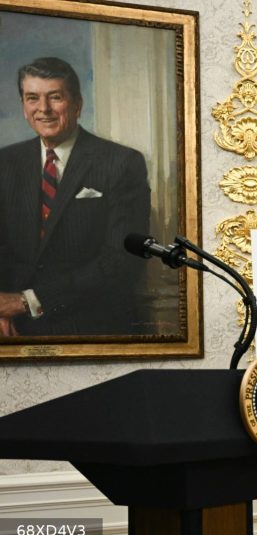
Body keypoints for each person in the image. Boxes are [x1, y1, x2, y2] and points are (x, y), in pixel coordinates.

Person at [0, 57, 151, 336]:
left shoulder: (121, 163)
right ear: (23, 107)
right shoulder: (5, 163)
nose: (43, 109)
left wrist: (27, 301)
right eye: (32, 98)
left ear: (78, 105)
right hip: (11, 329)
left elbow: (121, 262)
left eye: (55, 97)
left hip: (93, 328)